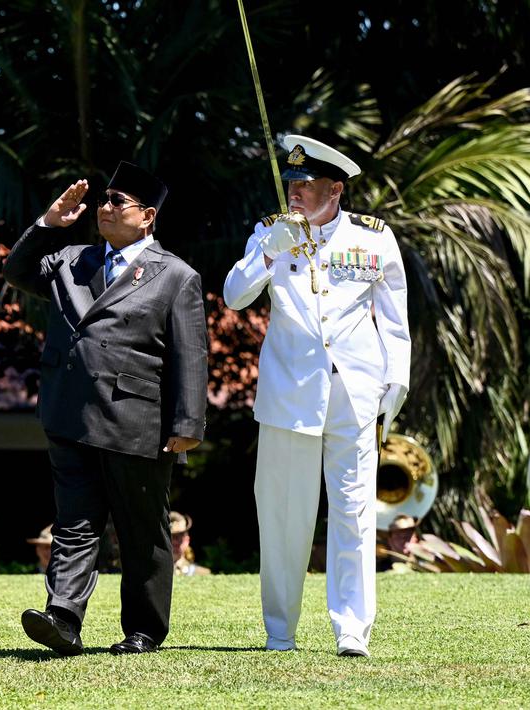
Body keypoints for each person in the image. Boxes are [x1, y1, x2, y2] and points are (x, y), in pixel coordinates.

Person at [4, 162, 208, 656]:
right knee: (74, 521)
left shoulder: (177, 276)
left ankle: (144, 629)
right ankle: (63, 618)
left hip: (136, 419)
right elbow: (17, 272)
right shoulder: (72, 258)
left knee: (142, 531)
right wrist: (49, 224)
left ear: (148, 216)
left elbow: (191, 354)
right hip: (69, 412)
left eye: (118, 201)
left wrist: (187, 424)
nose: (106, 207)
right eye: (104, 199)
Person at [223, 135, 411, 658]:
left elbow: (395, 322)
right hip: (289, 395)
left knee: (353, 512)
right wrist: (268, 250)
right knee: (284, 515)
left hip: (354, 393)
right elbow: (233, 297)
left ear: (337, 189)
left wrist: (392, 388)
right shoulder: (269, 232)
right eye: (291, 185)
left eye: (306, 186)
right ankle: (279, 631)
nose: (296, 195)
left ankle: (352, 630)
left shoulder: (374, 238)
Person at [170, 512, 211, 576]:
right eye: (171, 536)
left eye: (180, 535)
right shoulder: (152, 572)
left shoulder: (201, 573)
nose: (175, 541)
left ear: (187, 540)